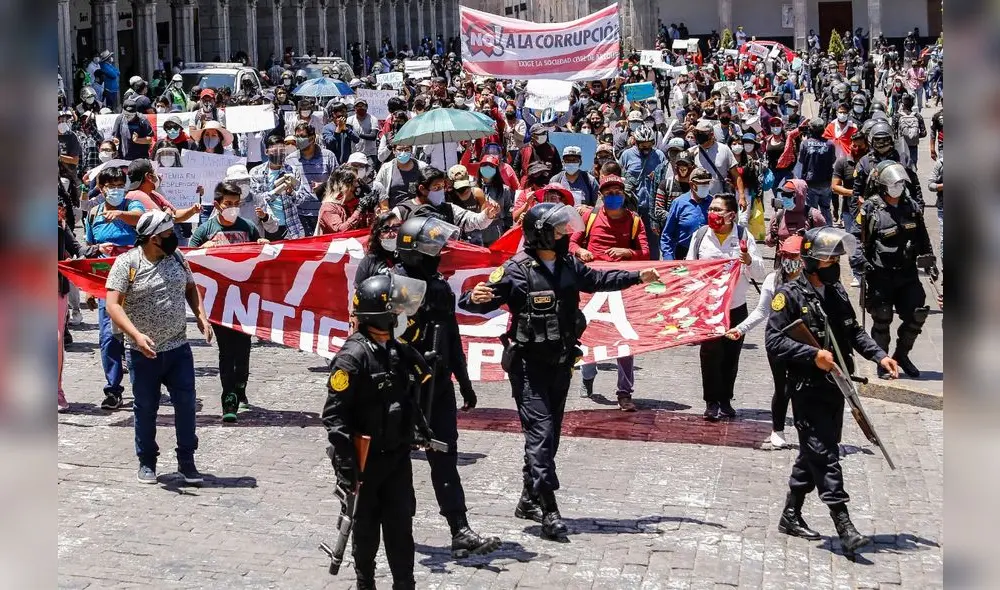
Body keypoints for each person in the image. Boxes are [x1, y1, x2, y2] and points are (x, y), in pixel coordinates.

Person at [459, 203, 659, 539]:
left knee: (549, 435)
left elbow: (599, 279)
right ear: (540, 233)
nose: (565, 235)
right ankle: (550, 509)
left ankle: (528, 499)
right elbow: (478, 299)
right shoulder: (516, 270)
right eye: (558, 230)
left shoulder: (569, 265)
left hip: (561, 362)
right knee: (540, 431)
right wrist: (472, 296)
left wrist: (637, 276)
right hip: (527, 366)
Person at [764, 227, 899, 556]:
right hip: (806, 388)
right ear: (811, 261)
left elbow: (853, 330)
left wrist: (880, 356)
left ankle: (790, 514)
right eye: (828, 259)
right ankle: (844, 524)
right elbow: (774, 340)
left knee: (814, 452)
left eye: (837, 258)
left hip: (836, 385)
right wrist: (813, 355)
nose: (835, 263)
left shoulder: (836, 291)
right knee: (825, 454)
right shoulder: (790, 295)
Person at [393, 216, 502, 557]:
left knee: (445, 456)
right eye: (431, 247)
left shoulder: (439, 286)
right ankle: (399, 531)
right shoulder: (398, 284)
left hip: (439, 385)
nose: (438, 252)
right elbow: (385, 340)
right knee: (397, 462)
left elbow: (452, 336)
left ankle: (460, 528)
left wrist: (464, 381)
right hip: (403, 387)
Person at [321, 273, 429, 590]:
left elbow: (408, 397)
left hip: (396, 457)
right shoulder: (352, 358)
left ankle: (404, 584)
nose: (399, 315)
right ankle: (365, 583)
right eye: (394, 310)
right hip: (364, 464)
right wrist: (345, 466)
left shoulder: (396, 349)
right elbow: (334, 416)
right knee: (366, 532)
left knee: (400, 528)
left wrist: (419, 427)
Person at [105, 210, 213, 484]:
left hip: (178, 348)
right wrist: (137, 336)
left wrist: (201, 316)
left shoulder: (177, 258)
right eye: (168, 234)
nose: (173, 238)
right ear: (154, 238)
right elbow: (113, 305)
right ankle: (147, 462)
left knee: (186, 405)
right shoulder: (126, 264)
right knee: (145, 408)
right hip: (143, 353)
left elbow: (191, 288)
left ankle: (187, 461)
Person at [189, 182, 270, 420]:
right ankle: (229, 399)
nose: (233, 208)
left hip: (245, 301)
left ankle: (240, 389)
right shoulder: (205, 230)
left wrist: (263, 246)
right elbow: (188, 259)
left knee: (243, 350)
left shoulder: (248, 227)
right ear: (217, 205)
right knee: (226, 352)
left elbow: (261, 257)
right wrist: (202, 249)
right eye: (228, 204)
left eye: (237, 204)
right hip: (219, 302)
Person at [569, 175, 648, 410]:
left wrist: (627, 252)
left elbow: (645, 252)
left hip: (622, 286)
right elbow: (572, 243)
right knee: (588, 335)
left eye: (617, 193)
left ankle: (625, 392)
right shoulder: (590, 217)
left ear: (624, 196)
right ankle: (587, 376)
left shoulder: (635, 221)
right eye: (608, 194)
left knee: (624, 341)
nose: (613, 197)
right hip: (591, 286)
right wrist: (580, 252)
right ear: (602, 197)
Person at [687, 193, 767, 421]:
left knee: (731, 355)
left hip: (735, 307)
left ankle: (725, 400)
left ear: (732, 214)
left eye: (718, 210)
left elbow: (760, 274)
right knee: (710, 354)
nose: (712, 213)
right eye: (711, 209)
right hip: (710, 308)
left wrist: (748, 260)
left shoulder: (743, 236)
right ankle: (711, 402)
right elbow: (690, 268)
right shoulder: (701, 236)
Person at [724, 235, 804, 448]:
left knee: (804, 388)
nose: (791, 260)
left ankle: (807, 430)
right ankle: (778, 430)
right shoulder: (773, 280)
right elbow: (762, 311)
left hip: (805, 342)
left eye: (795, 256)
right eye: (787, 256)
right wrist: (740, 329)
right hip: (778, 341)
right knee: (783, 387)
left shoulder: (812, 280)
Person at [859, 161, 935, 379]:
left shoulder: (910, 206)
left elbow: (922, 236)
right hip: (881, 274)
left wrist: (930, 262)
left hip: (907, 272)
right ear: (883, 186)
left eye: (901, 183)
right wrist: (860, 264)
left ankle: (902, 356)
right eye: (894, 184)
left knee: (917, 313)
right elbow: (859, 240)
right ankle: (883, 362)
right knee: (882, 318)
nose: (898, 187)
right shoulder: (871, 208)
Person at [391, 166, 499, 233]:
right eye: (436, 187)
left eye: (442, 187)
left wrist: (487, 214)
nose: (440, 190)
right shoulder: (402, 211)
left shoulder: (449, 209)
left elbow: (474, 221)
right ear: (422, 189)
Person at [250, 134, 316, 240]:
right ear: (266, 152)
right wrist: (276, 191)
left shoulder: (292, 170)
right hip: (266, 226)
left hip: (290, 227)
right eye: (275, 151)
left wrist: (291, 193)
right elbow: (257, 200)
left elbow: (301, 199)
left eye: (282, 151)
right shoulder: (256, 172)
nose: (279, 154)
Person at [619, 125, 666, 258]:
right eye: (642, 145)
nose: (646, 148)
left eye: (648, 144)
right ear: (636, 142)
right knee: (631, 239)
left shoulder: (659, 155)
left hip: (652, 207)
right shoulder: (626, 155)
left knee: (653, 242)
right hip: (631, 206)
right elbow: (620, 178)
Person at [285, 122, 338, 235]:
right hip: (299, 215)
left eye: (302, 136)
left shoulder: (328, 156)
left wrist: (324, 186)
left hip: (325, 213)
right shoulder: (290, 160)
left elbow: (339, 183)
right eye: (297, 136)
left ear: (312, 138)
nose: (299, 139)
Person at [795, 119, 837, 226]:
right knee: (826, 209)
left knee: (812, 211)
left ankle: (814, 231)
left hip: (811, 183)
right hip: (826, 183)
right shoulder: (830, 144)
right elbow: (832, 160)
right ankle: (829, 230)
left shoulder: (805, 144)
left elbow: (801, 160)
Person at [316, 167, 377, 235]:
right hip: (337, 244)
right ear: (343, 186)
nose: (357, 187)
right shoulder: (328, 207)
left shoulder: (355, 203)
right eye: (354, 183)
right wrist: (359, 210)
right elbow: (341, 231)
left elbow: (368, 228)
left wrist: (371, 210)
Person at [353, 212, 401, 286]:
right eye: (386, 229)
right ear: (377, 234)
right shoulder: (369, 260)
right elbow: (358, 290)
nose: (392, 234)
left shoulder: (408, 257)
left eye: (396, 227)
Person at [375, 142, 428, 208]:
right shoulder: (386, 168)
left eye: (406, 150)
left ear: (411, 150)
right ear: (394, 151)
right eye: (400, 150)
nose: (403, 153)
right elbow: (377, 188)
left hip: (417, 212)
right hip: (393, 213)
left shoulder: (422, 167)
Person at [347, 99, 380, 169]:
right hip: (355, 153)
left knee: (369, 174)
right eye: (358, 106)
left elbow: (373, 136)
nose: (360, 108)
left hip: (370, 154)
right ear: (354, 108)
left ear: (367, 107)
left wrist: (358, 135)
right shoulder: (349, 120)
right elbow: (349, 135)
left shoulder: (373, 119)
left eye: (362, 106)